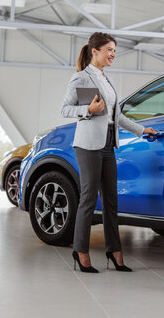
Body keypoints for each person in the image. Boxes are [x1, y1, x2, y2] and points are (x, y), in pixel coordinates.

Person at [61, 32, 156, 273]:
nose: (113, 54)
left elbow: (117, 116)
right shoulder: (81, 78)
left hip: (107, 145)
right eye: (109, 50)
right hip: (87, 145)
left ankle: (114, 251)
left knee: (112, 201)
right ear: (95, 51)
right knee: (88, 199)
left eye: (114, 50)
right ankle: (80, 250)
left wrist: (141, 130)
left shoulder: (107, 79)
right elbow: (65, 109)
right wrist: (88, 109)